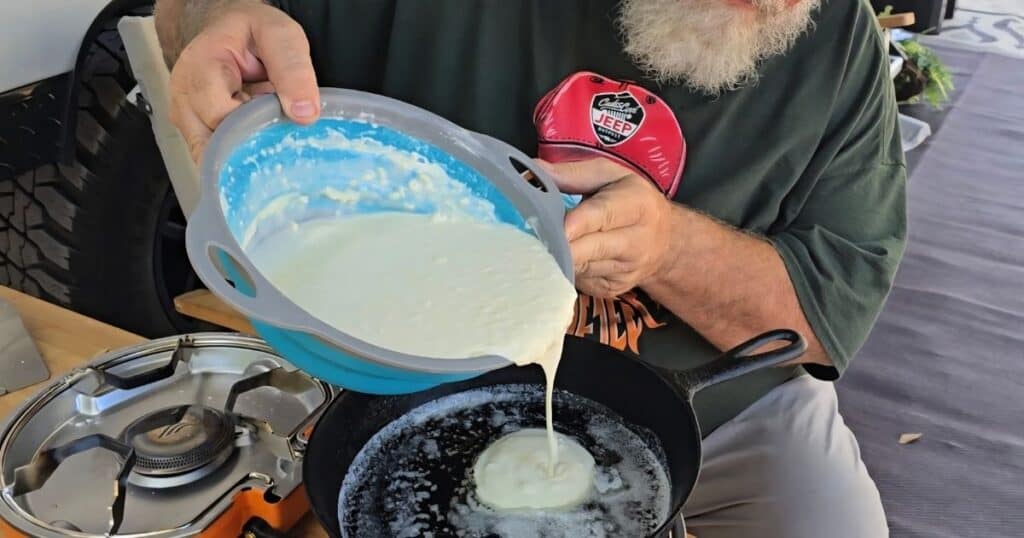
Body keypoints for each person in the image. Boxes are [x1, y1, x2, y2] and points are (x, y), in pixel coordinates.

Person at [156, 1, 906, 536]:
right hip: (403, 369)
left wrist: (671, 250)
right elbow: (186, 14)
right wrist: (212, 20)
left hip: (722, 402)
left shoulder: (837, 43)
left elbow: (824, 313)